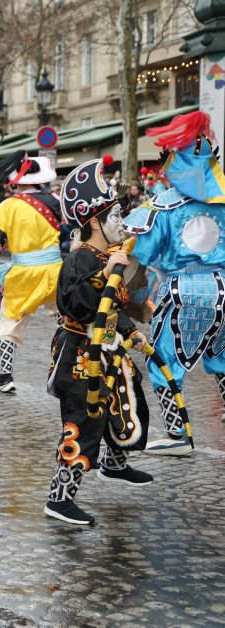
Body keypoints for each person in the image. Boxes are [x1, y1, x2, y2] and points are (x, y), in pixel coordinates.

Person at [45, 156, 152, 525]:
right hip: (80, 354)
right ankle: (59, 498)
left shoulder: (108, 255)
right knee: (84, 419)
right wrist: (104, 273)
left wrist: (130, 330)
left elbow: (112, 306)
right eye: (115, 216)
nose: (121, 222)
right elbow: (77, 302)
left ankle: (115, 463)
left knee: (127, 399)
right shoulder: (80, 259)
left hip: (107, 349)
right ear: (94, 222)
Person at [124, 111, 225, 455]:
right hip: (224, 289)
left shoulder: (163, 206)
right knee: (222, 358)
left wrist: (139, 300)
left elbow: (138, 257)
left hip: (186, 292)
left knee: (162, 362)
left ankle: (177, 434)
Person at [0, 152, 62, 393]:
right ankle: (76, 364)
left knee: (10, 322)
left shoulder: (7, 206)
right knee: (66, 316)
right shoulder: (56, 201)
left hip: (23, 274)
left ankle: (5, 376)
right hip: (55, 270)